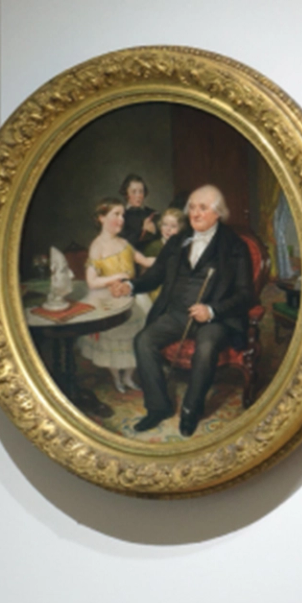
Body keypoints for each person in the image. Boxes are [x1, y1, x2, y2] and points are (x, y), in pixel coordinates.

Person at [132, 184, 258, 439]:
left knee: (207, 347)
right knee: (143, 340)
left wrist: (211, 310)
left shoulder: (234, 246)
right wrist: (129, 285)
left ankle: (191, 410)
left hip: (216, 318)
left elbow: (246, 295)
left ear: (218, 213)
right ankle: (158, 407)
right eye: (192, 207)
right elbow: (154, 276)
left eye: (203, 208)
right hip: (177, 312)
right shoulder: (178, 241)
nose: (195, 213)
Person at [73, 201, 148, 399]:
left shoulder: (124, 243)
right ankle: (116, 377)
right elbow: (92, 281)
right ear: (102, 218)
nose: (121, 220)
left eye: (123, 215)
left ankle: (129, 377)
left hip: (132, 296)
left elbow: (146, 261)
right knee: (115, 343)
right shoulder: (96, 246)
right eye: (116, 214)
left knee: (136, 340)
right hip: (110, 300)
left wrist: (169, 257)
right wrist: (116, 277)